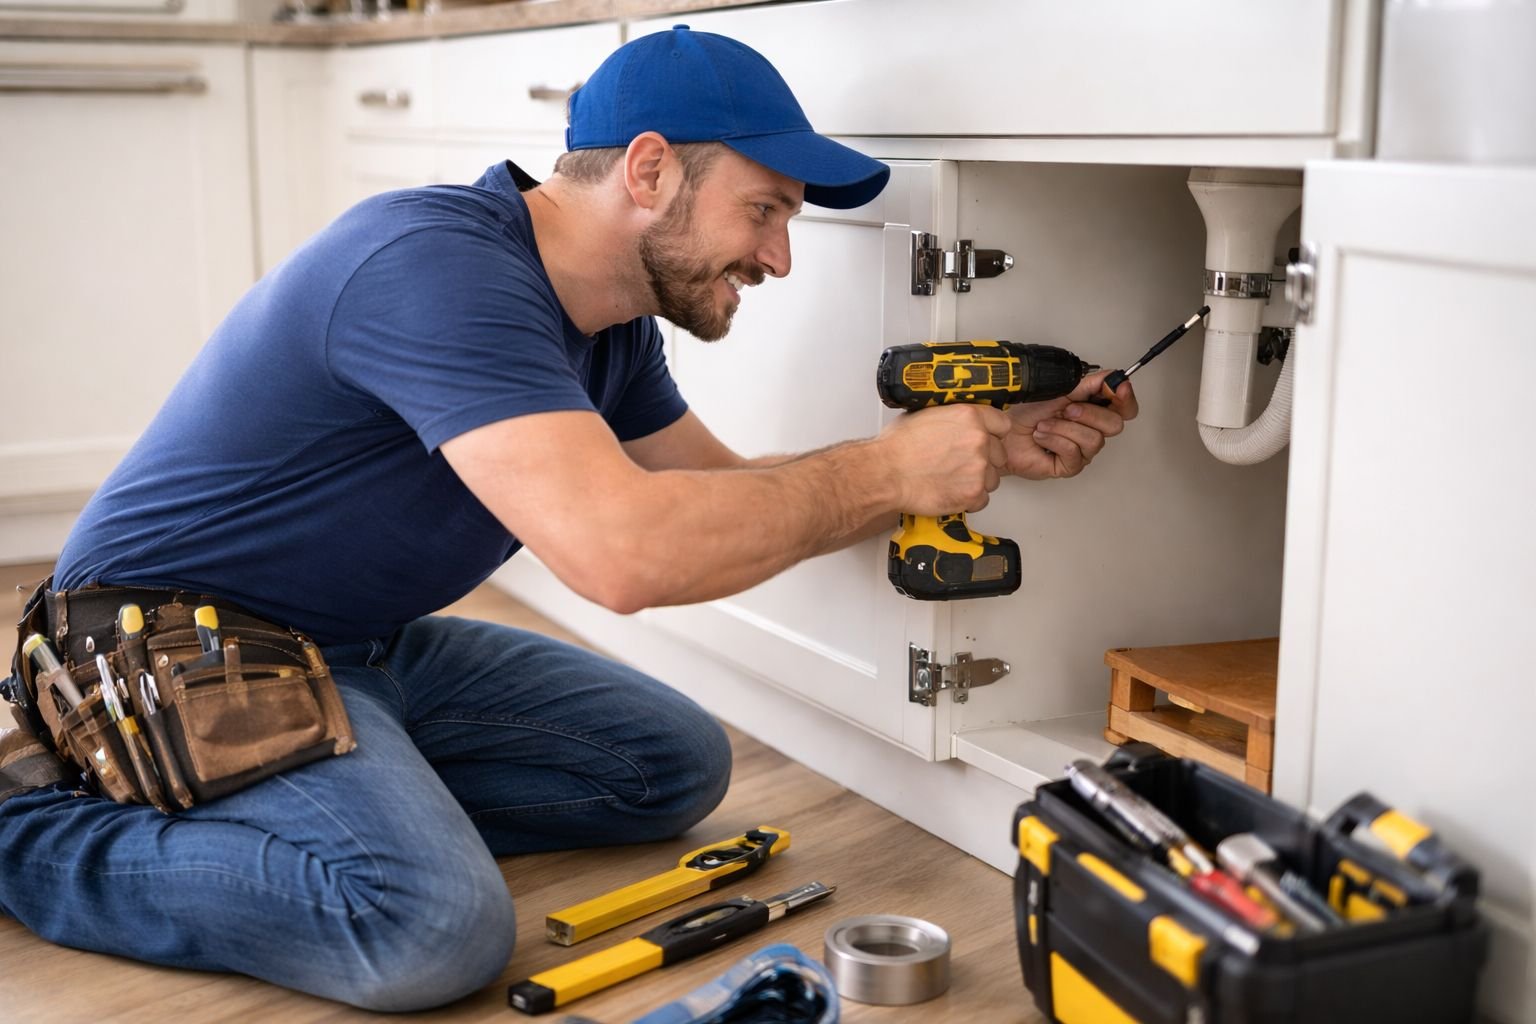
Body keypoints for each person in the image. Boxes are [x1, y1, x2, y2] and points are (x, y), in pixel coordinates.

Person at [0, 26, 1137, 1011]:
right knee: (429, 929)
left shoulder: (610, 327)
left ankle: (317, 797)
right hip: (165, 643)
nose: (779, 256)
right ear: (650, 169)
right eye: (765, 210)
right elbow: (625, 555)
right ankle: (30, 834)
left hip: (350, 648)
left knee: (668, 768)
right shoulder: (435, 266)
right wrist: (885, 472)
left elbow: (723, 494)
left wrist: (972, 454)